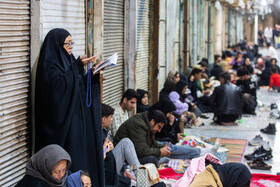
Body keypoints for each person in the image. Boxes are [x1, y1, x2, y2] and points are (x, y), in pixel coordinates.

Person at [34, 29, 104, 186]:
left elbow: (77, 87)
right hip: (63, 132)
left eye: (72, 43)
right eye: (68, 43)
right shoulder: (49, 66)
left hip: (76, 126)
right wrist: (77, 67)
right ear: (58, 45)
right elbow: (58, 93)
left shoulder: (69, 61)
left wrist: (92, 75)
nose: (71, 46)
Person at [102, 104, 141, 186]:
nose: (111, 120)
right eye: (110, 117)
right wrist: (105, 150)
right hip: (105, 172)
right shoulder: (96, 135)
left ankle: (140, 173)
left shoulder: (104, 131)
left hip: (112, 167)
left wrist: (124, 169)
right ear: (104, 119)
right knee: (125, 142)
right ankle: (141, 175)